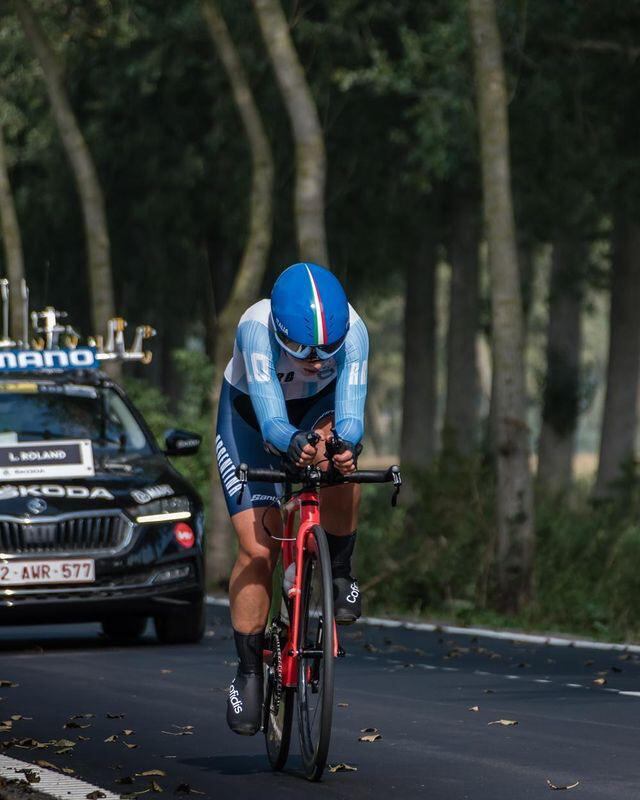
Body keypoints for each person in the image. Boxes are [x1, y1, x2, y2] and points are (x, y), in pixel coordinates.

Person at [216, 262, 369, 735]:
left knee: (342, 468)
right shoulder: (254, 326)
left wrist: (344, 446)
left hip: (317, 409)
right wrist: (290, 442)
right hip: (251, 418)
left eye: (328, 348)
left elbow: (351, 413)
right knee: (257, 549)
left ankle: (339, 572)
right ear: (280, 332)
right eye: (301, 348)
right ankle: (247, 670)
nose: (317, 359)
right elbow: (272, 420)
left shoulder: (357, 332)